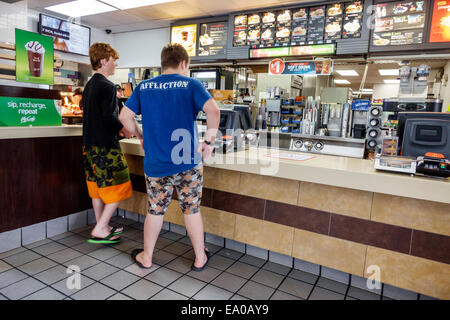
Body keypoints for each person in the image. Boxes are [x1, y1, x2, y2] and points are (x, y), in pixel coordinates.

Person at [119, 43, 220, 271]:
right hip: (188, 163)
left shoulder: (144, 87)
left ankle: (146, 257)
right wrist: (209, 142)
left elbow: (124, 116)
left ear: (163, 63)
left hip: (156, 164)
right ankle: (199, 258)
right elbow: (214, 111)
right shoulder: (191, 84)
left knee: (155, 211)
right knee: (191, 210)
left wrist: (140, 134)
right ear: (183, 63)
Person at [82, 42, 133, 244]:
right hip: (105, 147)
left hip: (88, 146)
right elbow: (109, 119)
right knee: (119, 185)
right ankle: (101, 227)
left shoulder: (89, 85)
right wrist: (125, 129)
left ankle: (101, 224)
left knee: (96, 188)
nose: (116, 64)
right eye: (114, 60)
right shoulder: (108, 86)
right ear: (104, 61)